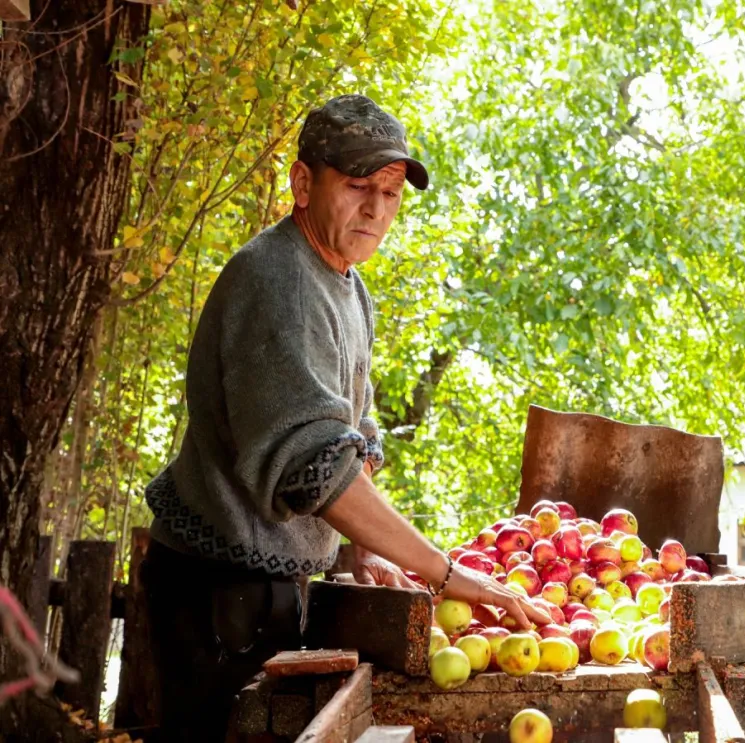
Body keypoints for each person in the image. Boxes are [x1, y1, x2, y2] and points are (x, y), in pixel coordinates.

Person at [141, 94, 549, 742]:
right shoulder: (278, 282)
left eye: (390, 193)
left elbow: (349, 436)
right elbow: (315, 470)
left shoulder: (348, 285)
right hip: (214, 590)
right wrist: (449, 573)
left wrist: (363, 548)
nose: (377, 209)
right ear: (302, 183)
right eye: (359, 186)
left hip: (269, 584)